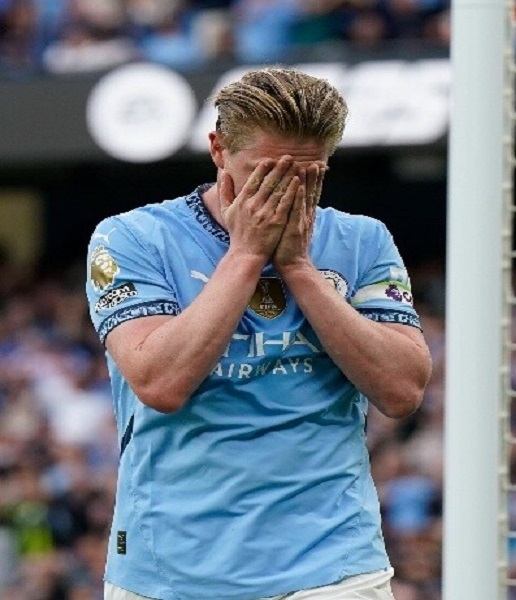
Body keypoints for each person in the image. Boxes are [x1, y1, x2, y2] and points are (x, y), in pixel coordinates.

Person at [83, 68, 432, 600]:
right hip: (170, 569)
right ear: (218, 150)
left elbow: (403, 390)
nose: (287, 193)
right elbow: (159, 382)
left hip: (332, 566)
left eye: (308, 175)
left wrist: (299, 268)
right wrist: (246, 254)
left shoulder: (362, 240)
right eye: (267, 173)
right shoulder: (133, 238)